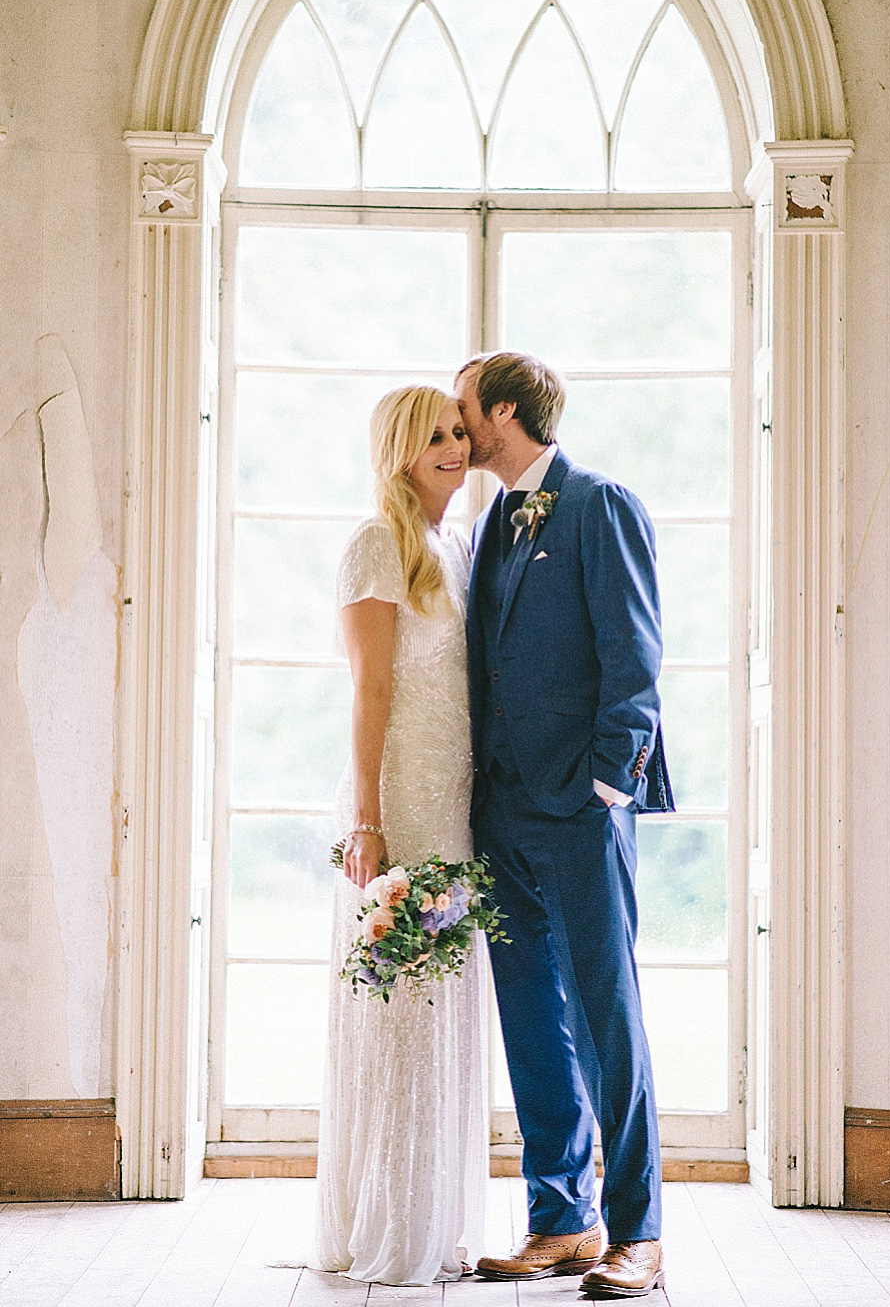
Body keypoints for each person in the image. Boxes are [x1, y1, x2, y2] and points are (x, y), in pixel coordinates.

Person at [456, 351, 674, 1300]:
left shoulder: (600, 503)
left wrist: (610, 786)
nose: (458, 427)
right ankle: (561, 1217)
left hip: (583, 808)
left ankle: (638, 1230)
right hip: (500, 807)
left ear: (505, 410)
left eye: (465, 409)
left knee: (605, 1014)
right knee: (533, 1016)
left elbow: (635, 654)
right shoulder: (491, 522)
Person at [315, 384, 487, 1286]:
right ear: (399, 450)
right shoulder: (375, 545)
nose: (456, 447)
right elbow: (370, 693)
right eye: (435, 437)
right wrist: (367, 819)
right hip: (400, 808)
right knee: (399, 1012)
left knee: (442, 1008)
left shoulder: (453, 545)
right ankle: (390, 1224)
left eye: (460, 432)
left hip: (454, 808)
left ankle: (435, 1217)